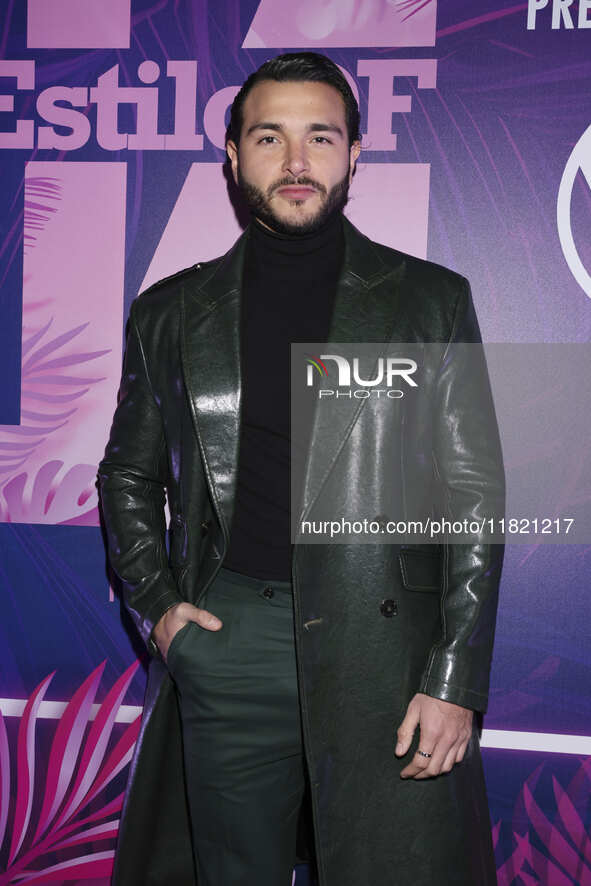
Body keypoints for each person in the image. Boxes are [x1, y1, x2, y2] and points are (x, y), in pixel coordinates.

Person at [98, 51, 505, 886]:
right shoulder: (172, 310)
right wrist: (163, 609)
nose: (294, 162)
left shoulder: (430, 301)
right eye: (268, 137)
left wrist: (454, 674)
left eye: (318, 137)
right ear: (232, 157)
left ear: (354, 154)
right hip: (230, 639)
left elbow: (471, 495)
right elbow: (128, 475)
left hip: (388, 652)